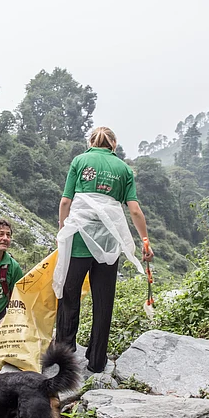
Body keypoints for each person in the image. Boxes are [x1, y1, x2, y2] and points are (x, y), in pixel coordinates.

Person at [53, 126, 154, 373]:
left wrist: (62, 231)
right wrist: (145, 241)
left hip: (78, 237)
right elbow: (134, 210)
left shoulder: (80, 160)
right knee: (103, 299)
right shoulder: (124, 169)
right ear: (114, 144)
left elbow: (66, 201)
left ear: (91, 142)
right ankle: (97, 361)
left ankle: (64, 357)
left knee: (69, 295)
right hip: (109, 241)